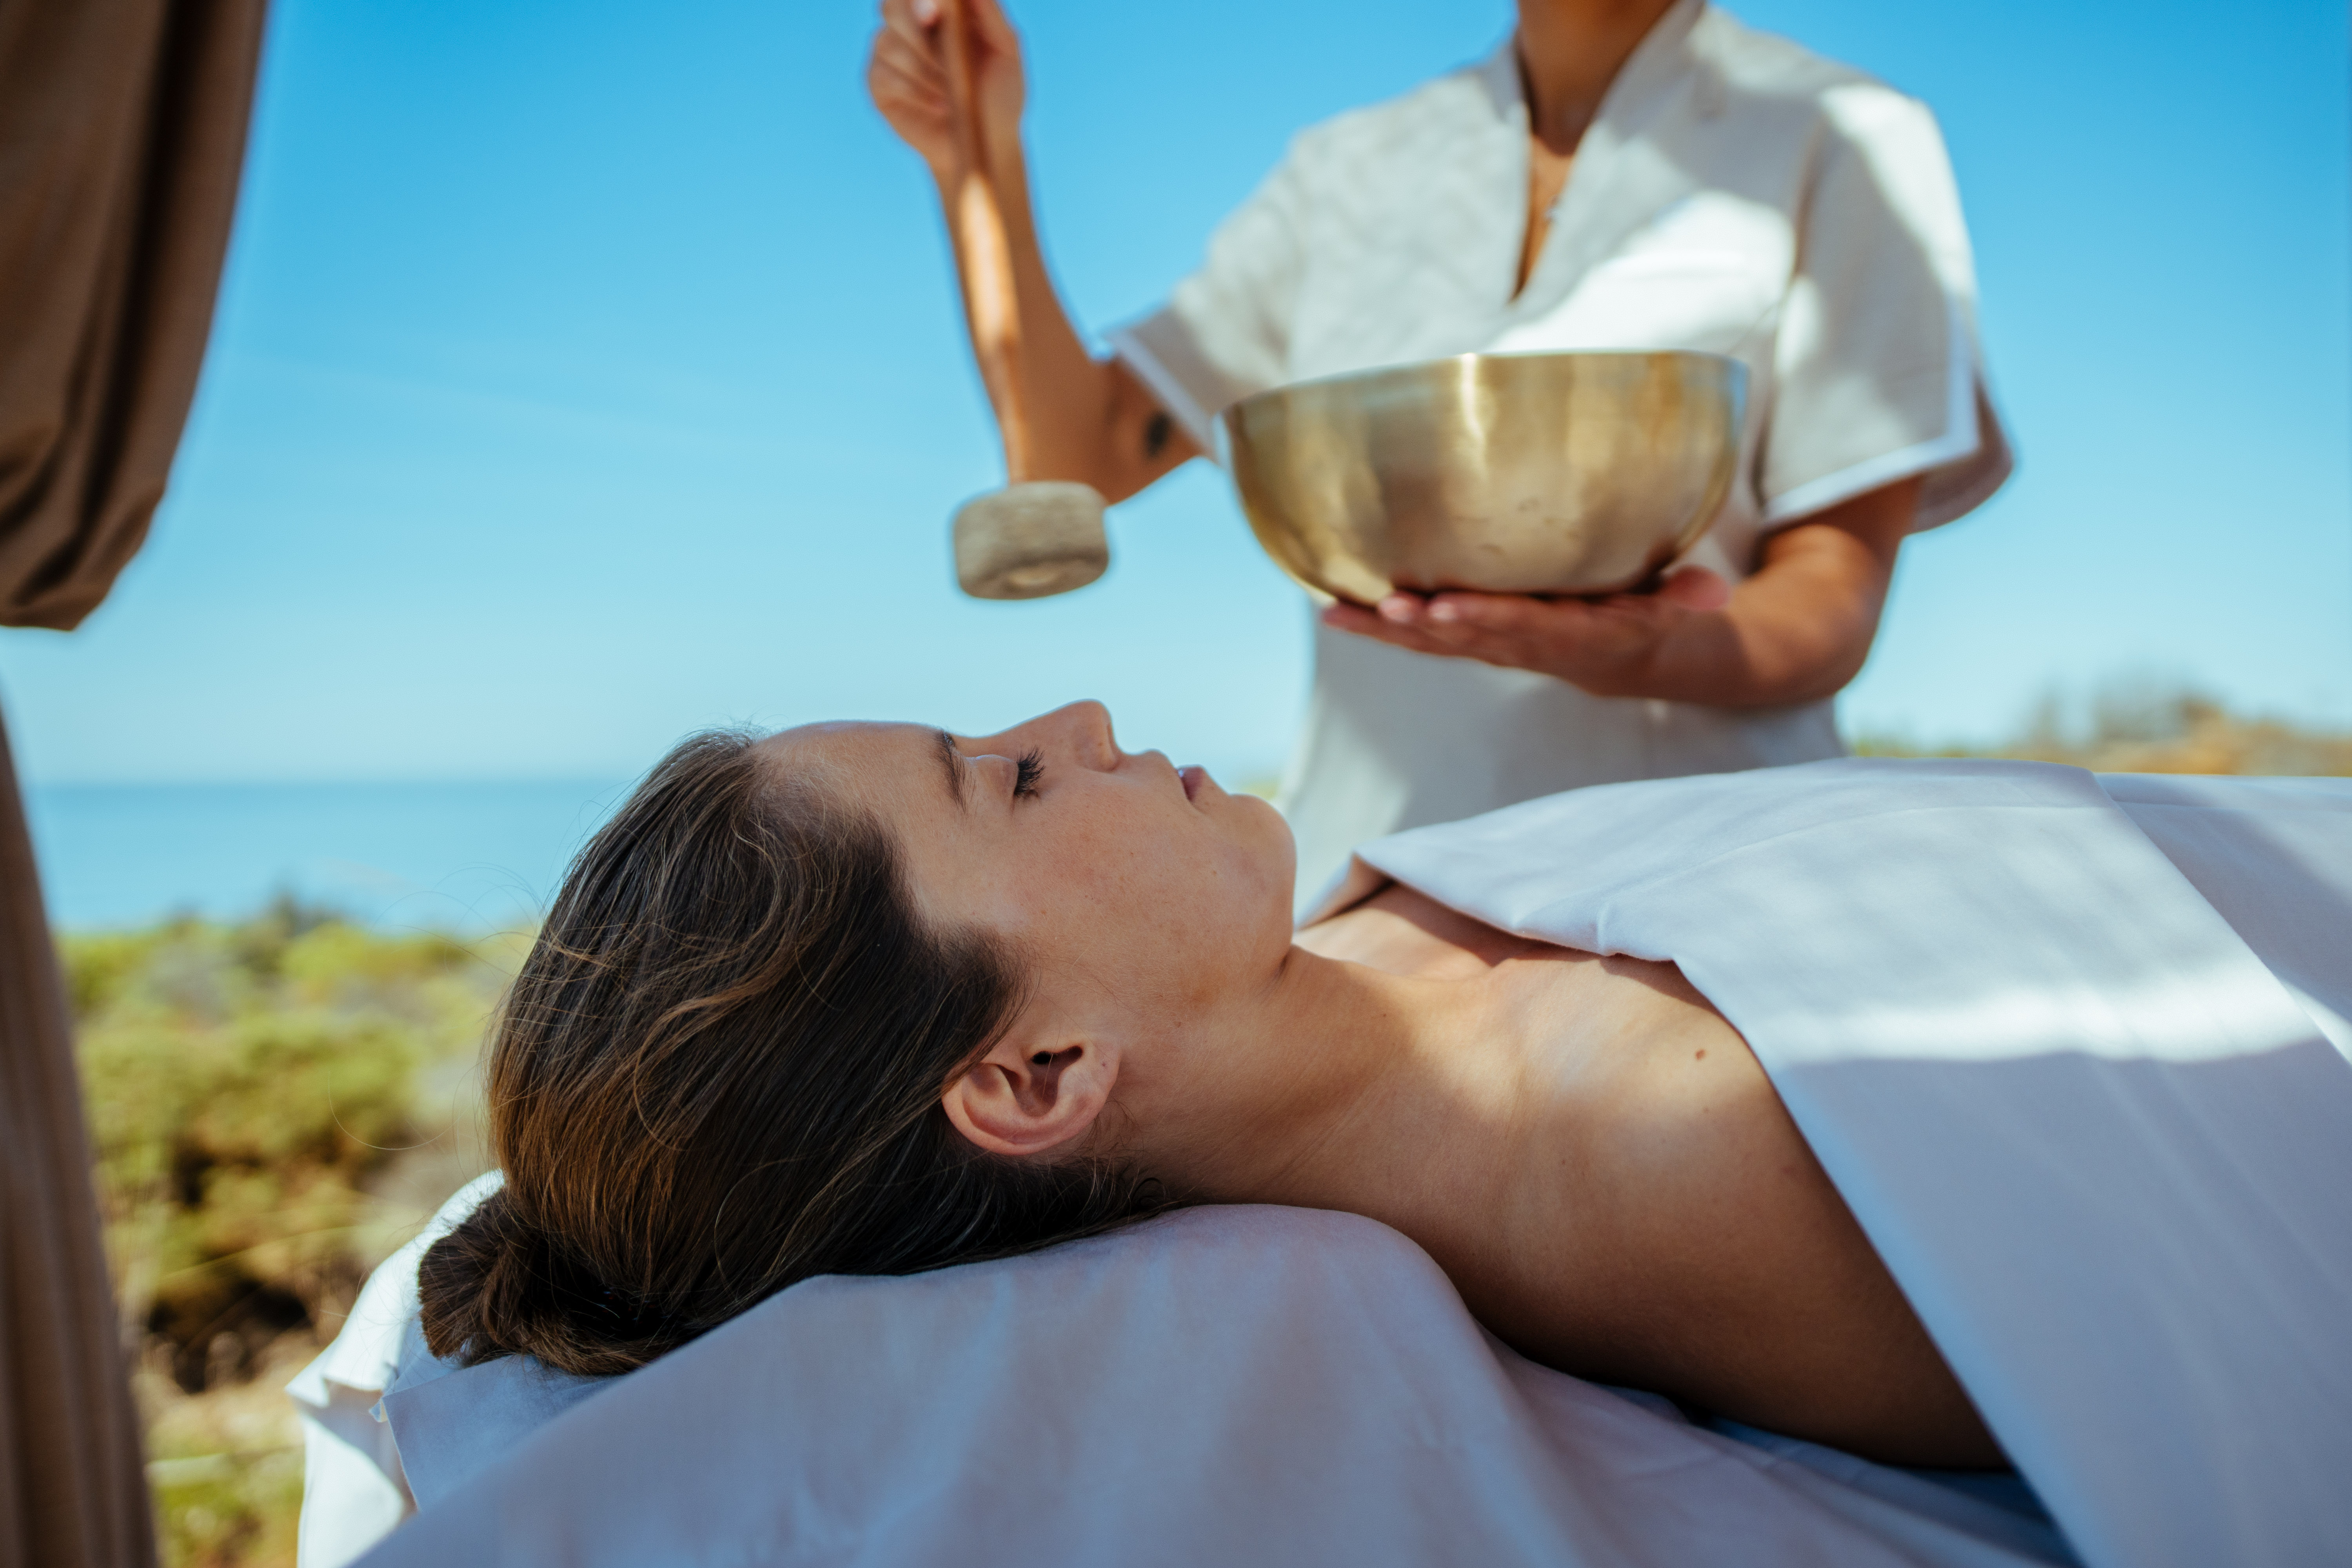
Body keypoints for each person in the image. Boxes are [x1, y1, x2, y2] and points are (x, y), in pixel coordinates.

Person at [420, 701, 2004, 1467]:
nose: (1082, 719)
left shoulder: (1367, 930)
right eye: (1010, 780)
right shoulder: (1703, 1173)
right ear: (1036, 1076)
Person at [866, 0, 2012, 897]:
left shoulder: (1843, 134)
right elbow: (1080, 455)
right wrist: (978, 160)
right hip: (1372, 901)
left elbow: (1831, 596)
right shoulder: (1346, 172)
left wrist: (1643, 652)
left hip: (1700, 900)